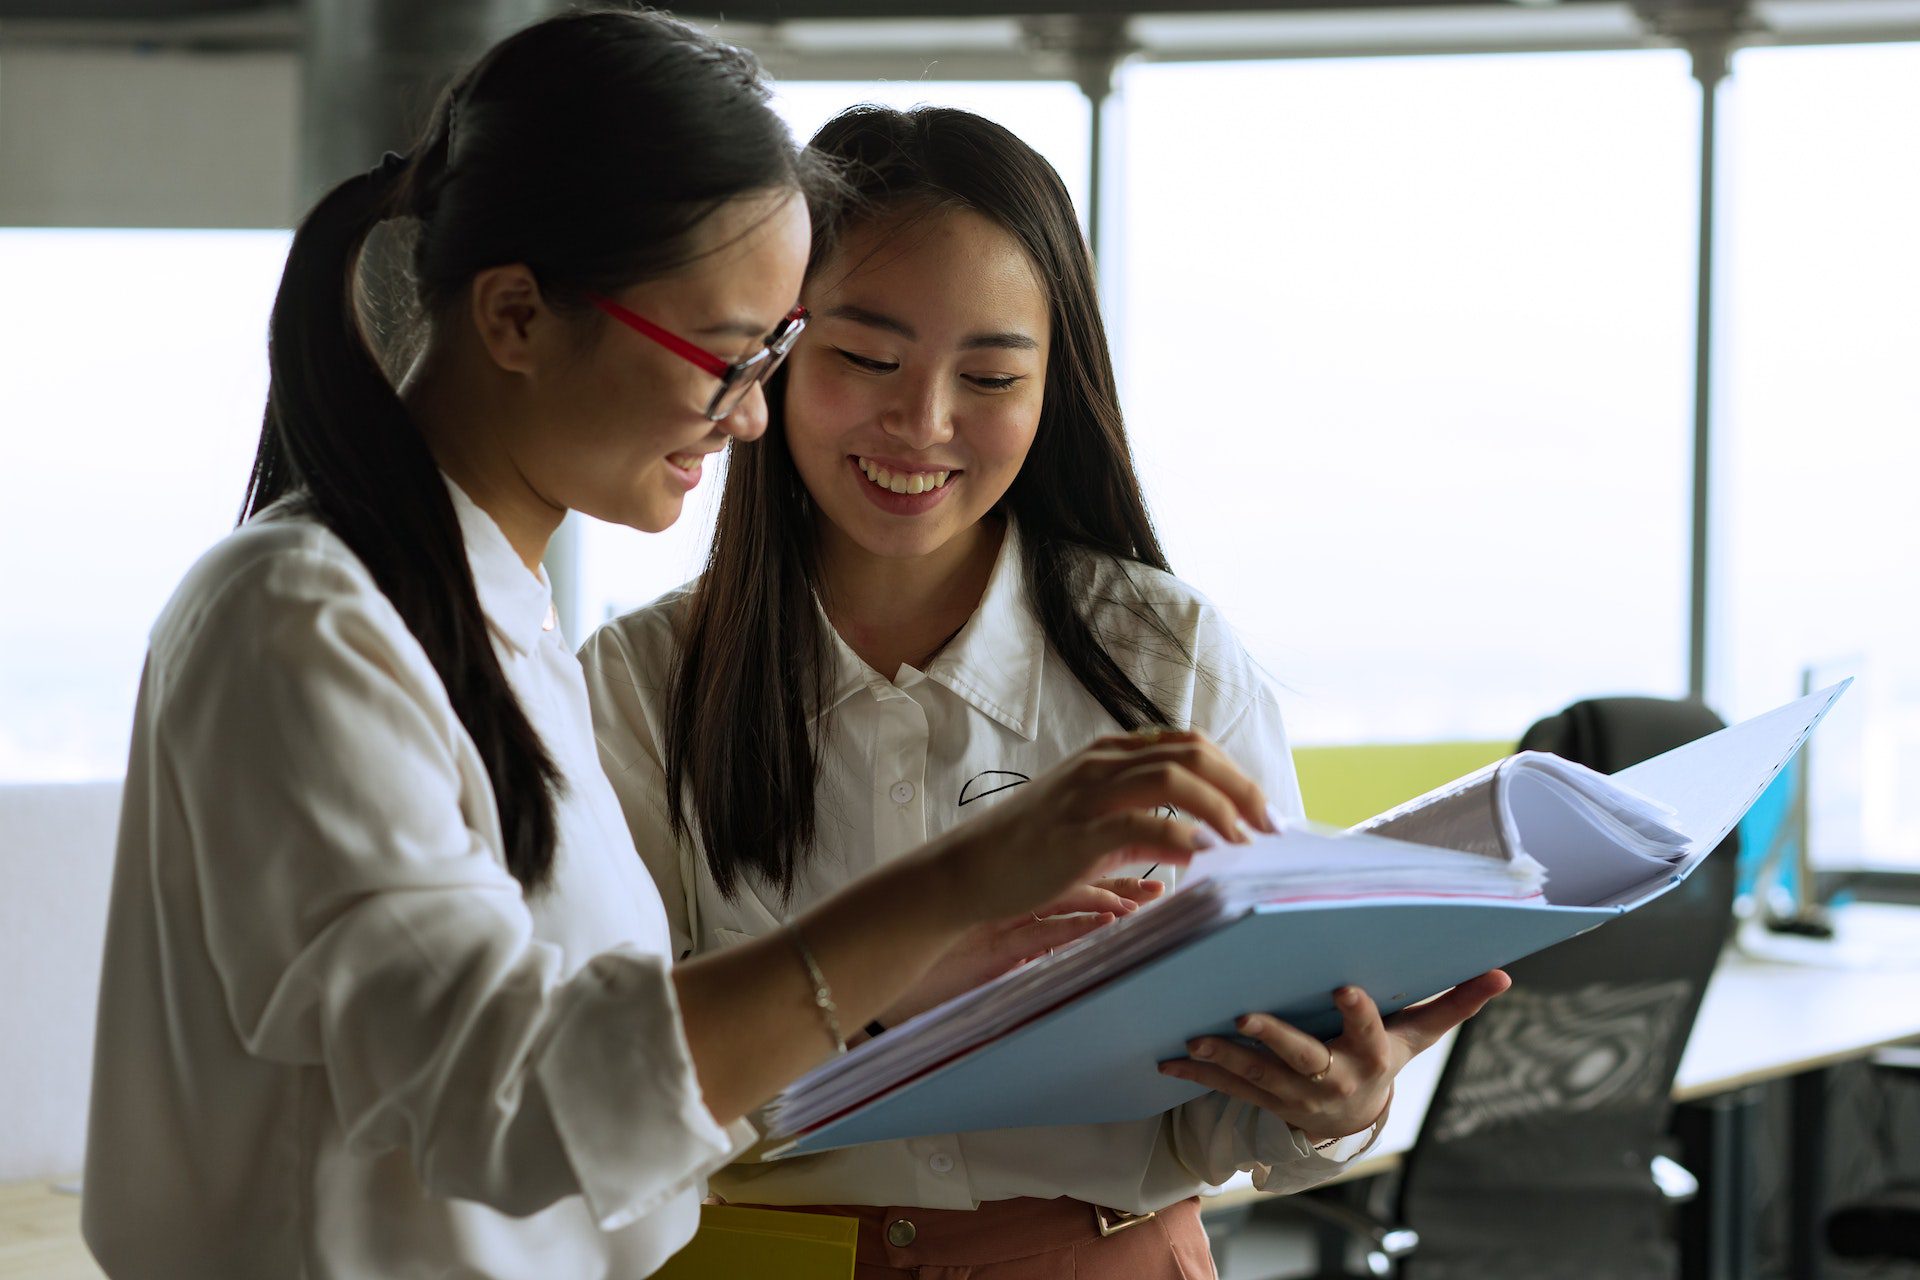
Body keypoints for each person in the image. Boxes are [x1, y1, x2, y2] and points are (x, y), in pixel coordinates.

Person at [80, 17, 1274, 1280]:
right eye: (729, 356)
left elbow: (607, 1090)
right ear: (516, 317)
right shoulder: (310, 619)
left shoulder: (494, 625)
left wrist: (913, 982)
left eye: (769, 355)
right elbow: (515, 1102)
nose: (752, 413)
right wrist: (946, 890)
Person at [581, 104, 1509, 1278]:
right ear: (772, 355)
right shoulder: (640, 683)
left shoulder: (1165, 658)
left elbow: (1233, 1111)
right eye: (866, 359)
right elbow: (597, 1104)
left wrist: (1335, 1097)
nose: (922, 423)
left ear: (1051, 385)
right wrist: (872, 996)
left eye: (990, 373)